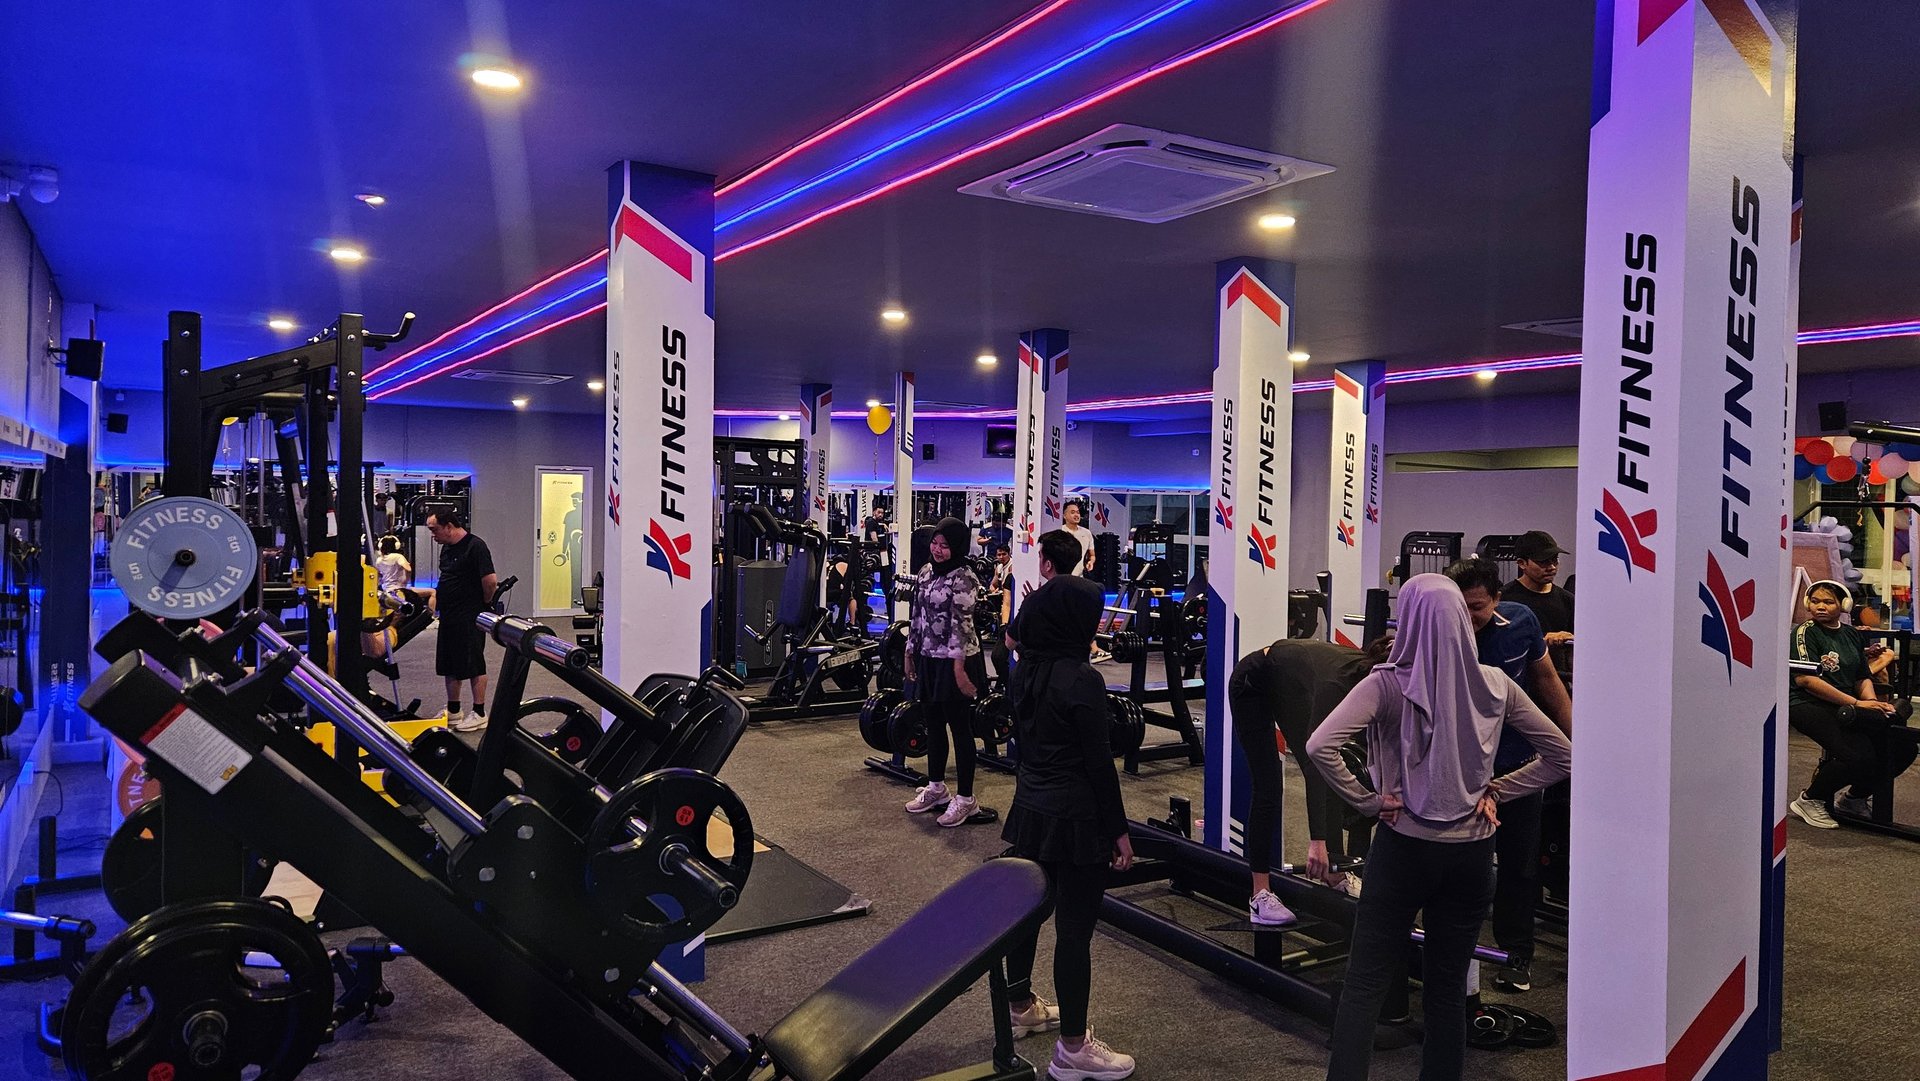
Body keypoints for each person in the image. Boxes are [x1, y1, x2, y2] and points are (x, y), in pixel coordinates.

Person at [1306, 574, 1571, 1081]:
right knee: (1447, 991)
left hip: (1404, 850)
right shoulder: (1497, 682)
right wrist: (1497, 790)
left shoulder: (1386, 682)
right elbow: (1562, 756)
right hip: (1472, 858)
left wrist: (1368, 802)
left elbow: (1321, 747)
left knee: (1366, 984)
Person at [1000, 528, 1136, 1081]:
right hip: (1078, 818)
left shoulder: (1024, 669)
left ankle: (1019, 1006)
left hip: (1031, 808)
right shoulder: (1081, 680)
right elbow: (1100, 768)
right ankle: (1074, 1047)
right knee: (1074, 930)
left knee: (1030, 913)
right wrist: (1120, 833)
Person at [1444, 557, 1572, 994]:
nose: (1468, 617)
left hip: (1515, 769)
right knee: (1458, 869)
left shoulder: (1520, 622)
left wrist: (1577, 743)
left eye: (1476, 607)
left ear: (1497, 600)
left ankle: (1517, 954)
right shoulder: (1441, 633)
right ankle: (1450, 954)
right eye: (1459, 607)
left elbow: (1548, 679)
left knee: (1519, 867)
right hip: (1458, 777)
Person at [1226, 636, 1391, 925]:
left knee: (1330, 767)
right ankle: (1260, 895)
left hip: (1292, 675)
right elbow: (1316, 760)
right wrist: (1318, 842)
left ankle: (1336, 873)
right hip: (1252, 683)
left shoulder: (1372, 684)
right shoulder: (1336, 685)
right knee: (1269, 787)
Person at [1787, 579, 1915, 828]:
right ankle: (1809, 800)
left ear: (1843, 605)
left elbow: (1861, 675)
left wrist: (1872, 704)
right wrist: (1856, 703)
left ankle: (1854, 798)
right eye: (1815, 601)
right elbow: (1806, 680)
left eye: (1827, 601)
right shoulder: (1804, 632)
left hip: (1847, 704)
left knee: (1902, 749)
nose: (1820, 607)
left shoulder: (1851, 635)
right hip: (1806, 703)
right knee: (1859, 756)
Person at [903, 518, 985, 826]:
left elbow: (961, 627)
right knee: (933, 724)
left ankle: (966, 799)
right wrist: (910, 652)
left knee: (960, 729)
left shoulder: (964, 578)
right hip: (929, 658)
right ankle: (936, 787)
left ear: (958, 546)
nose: (938, 550)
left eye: (945, 545)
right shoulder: (925, 571)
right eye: (935, 544)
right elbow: (917, 615)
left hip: (958, 661)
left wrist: (960, 670)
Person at [426, 509, 497, 734]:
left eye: (434, 529)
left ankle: (479, 713)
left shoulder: (476, 546)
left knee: (473, 662)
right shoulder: (447, 549)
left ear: (449, 526)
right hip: (449, 615)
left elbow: (490, 582)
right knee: (450, 663)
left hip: (470, 615)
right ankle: (454, 711)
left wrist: (483, 606)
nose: (432, 535)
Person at [1500, 530, 1575, 688]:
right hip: (1519, 686)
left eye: (1555, 560)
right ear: (1522, 563)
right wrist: (1541, 642)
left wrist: (1571, 638)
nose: (1552, 567)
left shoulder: (1567, 600)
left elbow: (1576, 654)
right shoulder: (1504, 600)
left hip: (1556, 686)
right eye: (1544, 562)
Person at [1062, 502, 1096, 577]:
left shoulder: (1087, 533)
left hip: (1080, 577)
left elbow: (1092, 555)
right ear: (1065, 515)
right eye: (1072, 512)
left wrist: (1091, 562)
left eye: (1078, 512)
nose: (1076, 515)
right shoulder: (1060, 531)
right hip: (1062, 577)